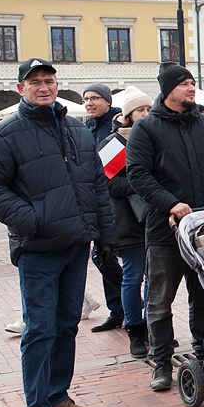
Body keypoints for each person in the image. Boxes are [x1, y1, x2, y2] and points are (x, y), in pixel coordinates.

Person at [0, 58, 118, 407]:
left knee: (66, 326)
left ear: (57, 84)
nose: (44, 86)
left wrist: (106, 236)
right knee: (39, 331)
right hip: (38, 249)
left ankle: (58, 397)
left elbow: (96, 187)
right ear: (21, 87)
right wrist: (33, 219)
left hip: (77, 246)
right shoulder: (5, 135)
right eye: (35, 81)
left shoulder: (76, 129)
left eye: (49, 80)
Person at [125, 63, 204, 392]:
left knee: (203, 296)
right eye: (185, 84)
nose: (192, 88)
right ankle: (161, 360)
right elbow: (138, 174)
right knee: (159, 301)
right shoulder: (146, 128)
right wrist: (169, 203)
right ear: (168, 89)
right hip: (164, 230)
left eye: (192, 83)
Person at [98, 86, 152, 358]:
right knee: (132, 278)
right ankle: (136, 331)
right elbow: (108, 185)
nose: (145, 114)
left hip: (156, 218)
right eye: (140, 110)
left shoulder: (155, 139)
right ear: (127, 115)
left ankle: (156, 328)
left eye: (148, 110)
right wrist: (142, 183)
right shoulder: (113, 143)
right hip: (128, 222)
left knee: (156, 279)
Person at [82, 82, 125, 333]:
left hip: (114, 205)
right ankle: (118, 310)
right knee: (101, 256)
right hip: (92, 203)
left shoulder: (116, 126)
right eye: (86, 99)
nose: (90, 103)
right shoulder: (88, 127)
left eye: (95, 98)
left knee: (109, 256)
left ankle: (129, 309)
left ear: (108, 101)